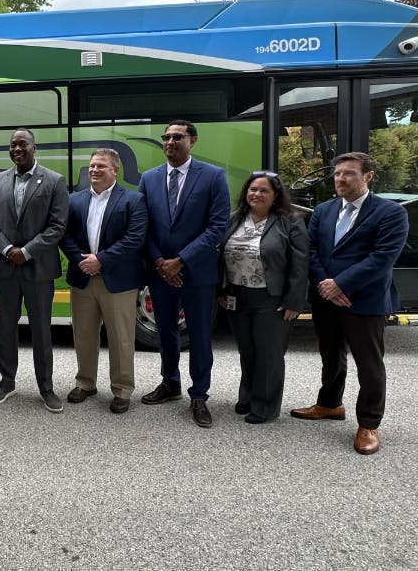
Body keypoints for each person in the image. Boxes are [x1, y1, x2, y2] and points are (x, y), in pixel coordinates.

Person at [291, 152, 408, 455]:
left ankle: (369, 423)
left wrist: (340, 284)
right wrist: (325, 285)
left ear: (368, 176)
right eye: (338, 173)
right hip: (325, 297)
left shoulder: (390, 213)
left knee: (369, 365)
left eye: (349, 174)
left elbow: (382, 258)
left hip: (364, 300)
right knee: (331, 356)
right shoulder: (324, 210)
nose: (340, 179)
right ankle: (330, 404)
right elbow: (312, 250)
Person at [137, 119, 230, 428]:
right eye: (166, 137)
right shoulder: (148, 179)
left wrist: (182, 261)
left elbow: (217, 226)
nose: (170, 141)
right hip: (160, 271)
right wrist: (161, 262)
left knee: (200, 336)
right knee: (165, 331)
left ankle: (199, 394)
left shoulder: (213, 176)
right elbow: (142, 226)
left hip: (197, 272)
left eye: (178, 136)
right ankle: (170, 383)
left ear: (193, 141)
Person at [0, 128, 69, 412]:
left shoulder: (54, 181)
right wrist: (7, 250)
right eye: (13, 145)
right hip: (6, 268)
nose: (17, 149)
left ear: (34, 147)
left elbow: (57, 226)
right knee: (6, 328)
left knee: (41, 330)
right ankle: (7, 382)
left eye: (23, 144)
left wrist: (27, 251)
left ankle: (46, 387)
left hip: (38, 269)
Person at [59, 149, 148, 414]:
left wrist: (102, 260)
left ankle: (122, 390)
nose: (95, 170)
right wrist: (81, 261)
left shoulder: (133, 200)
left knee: (121, 337)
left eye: (101, 166)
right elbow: (64, 236)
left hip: (118, 281)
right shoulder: (73, 200)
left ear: (115, 170)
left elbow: (135, 238)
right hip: (83, 278)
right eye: (92, 166)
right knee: (83, 334)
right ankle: (85, 383)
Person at [217, 171, 309, 424]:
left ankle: (265, 405)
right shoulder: (235, 219)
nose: (256, 194)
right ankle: (247, 396)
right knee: (247, 351)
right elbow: (220, 256)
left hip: (271, 298)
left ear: (275, 195)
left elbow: (300, 264)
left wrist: (294, 301)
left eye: (263, 190)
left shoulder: (290, 221)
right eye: (252, 189)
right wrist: (221, 290)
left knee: (269, 354)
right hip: (237, 295)